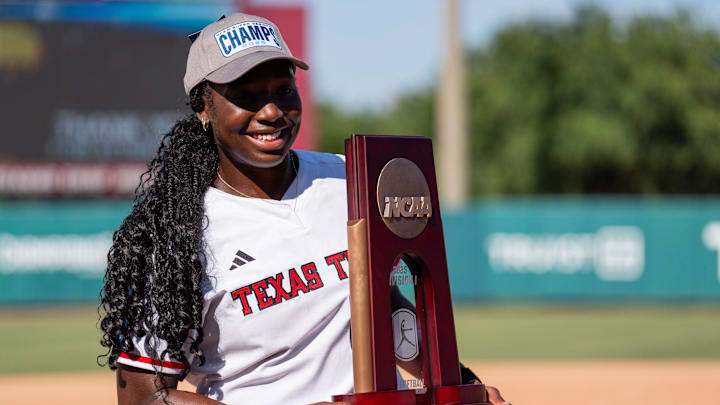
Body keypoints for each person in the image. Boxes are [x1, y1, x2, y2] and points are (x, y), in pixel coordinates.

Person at [99, 12, 510, 405]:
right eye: (245, 96)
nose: (272, 111)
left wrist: (460, 384)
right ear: (203, 109)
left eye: (283, 90)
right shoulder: (176, 234)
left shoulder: (350, 179)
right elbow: (142, 396)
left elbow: (389, 311)